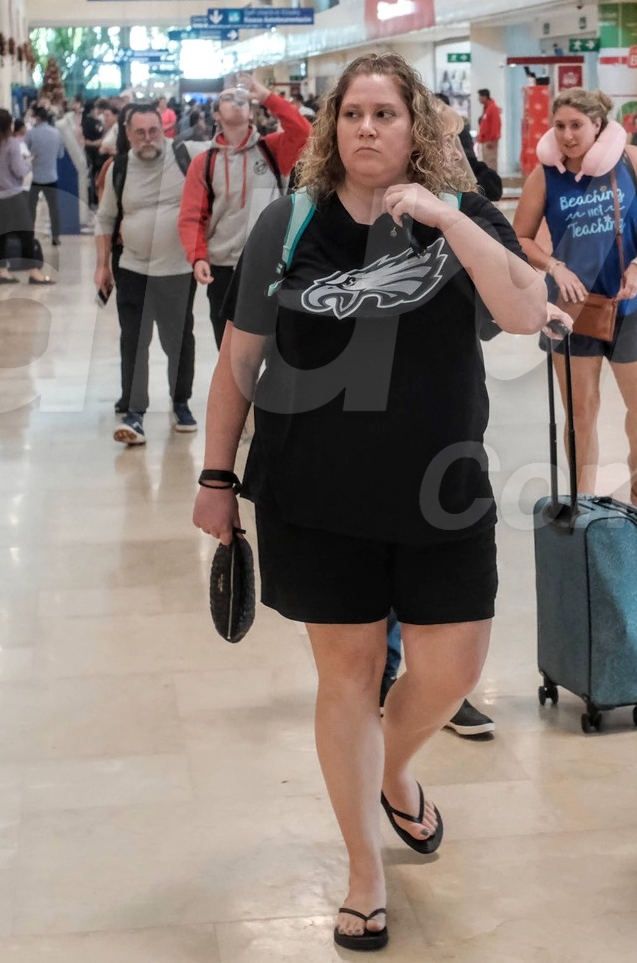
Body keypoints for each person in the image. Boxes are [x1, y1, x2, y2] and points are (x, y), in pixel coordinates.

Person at [190, 51, 547, 951]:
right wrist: (215, 477)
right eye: (352, 114)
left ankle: (391, 773)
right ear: (331, 125)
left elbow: (524, 308)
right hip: (315, 490)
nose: (367, 129)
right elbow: (240, 361)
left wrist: (442, 214)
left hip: (442, 485)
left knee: (454, 668)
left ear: (415, 125)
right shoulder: (290, 219)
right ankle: (363, 868)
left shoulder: (462, 215)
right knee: (345, 678)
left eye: (386, 114)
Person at [512, 87, 637, 510]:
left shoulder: (630, 162)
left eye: (576, 125)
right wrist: (554, 267)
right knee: (580, 413)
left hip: (630, 304)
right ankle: (583, 505)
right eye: (559, 126)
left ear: (598, 125)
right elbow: (521, 237)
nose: (566, 135)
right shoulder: (545, 176)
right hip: (569, 309)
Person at [179, 72, 311, 347]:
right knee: (228, 347)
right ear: (216, 114)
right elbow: (192, 216)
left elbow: (303, 133)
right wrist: (198, 257)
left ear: (251, 111)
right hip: (223, 268)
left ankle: (269, 392)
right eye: (227, 99)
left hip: (270, 264)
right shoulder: (205, 162)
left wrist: (265, 95)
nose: (236, 101)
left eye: (241, 99)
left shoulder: (272, 150)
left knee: (275, 346)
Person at [95, 103, 198, 444]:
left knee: (178, 341)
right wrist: (101, 266)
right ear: (128, 135)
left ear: (163, 128)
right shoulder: (119, 168)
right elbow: (105, 218)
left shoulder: (186, 157)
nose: (148, 138)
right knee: (134, 341)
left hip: (178, 270)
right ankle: (135, 412)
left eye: (153, 131)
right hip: (133, 268)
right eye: (139, 132)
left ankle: (180, 402)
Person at [0, 109, 51, 285]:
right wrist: (29, 164)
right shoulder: (11, 143)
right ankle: (34, 272)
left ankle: (3, 273)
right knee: (26, 232)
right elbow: (19, 171)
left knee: (0, 235)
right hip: (12, 195)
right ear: (7, 125)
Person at [24, 105, 67, 267]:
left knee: (31, 208)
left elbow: (25, 152)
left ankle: (30, 235)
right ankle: (56, 236)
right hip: (51, 176)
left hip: (35, 177)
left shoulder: (32, 133)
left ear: (38, 118)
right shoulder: (56, 134)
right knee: (53, 208)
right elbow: (60, 154)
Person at [474, 87, 503, 171]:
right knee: (486, 163)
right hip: (484, 141)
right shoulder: (486, 109)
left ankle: (492, 182)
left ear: (484, 97)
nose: (478, 99)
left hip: (490, 141)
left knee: (491, 163)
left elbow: (496, 125)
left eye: (479, 97)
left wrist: (492, 140)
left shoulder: (493, 108)